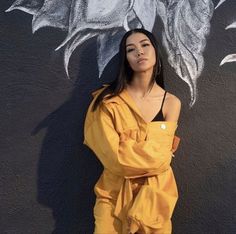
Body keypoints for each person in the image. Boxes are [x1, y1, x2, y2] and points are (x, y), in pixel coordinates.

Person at [83, 28, 181, 234]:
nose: (139, 52)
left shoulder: (171, 103)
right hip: (112, 199)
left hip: (155, 200)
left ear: (155, 51)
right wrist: (154, 154)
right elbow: (114, 159)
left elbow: (164, 159)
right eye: (131, 49)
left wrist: (128, 146)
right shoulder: (107, 101)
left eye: (145, 45)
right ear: (126, 59)